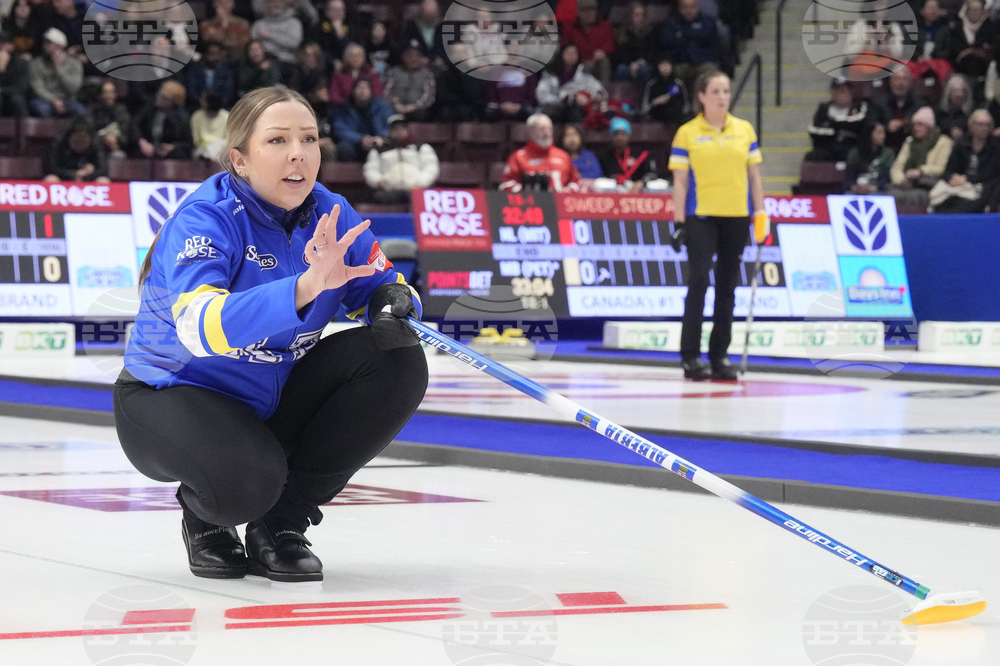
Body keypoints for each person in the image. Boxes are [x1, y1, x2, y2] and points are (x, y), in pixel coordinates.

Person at [114, 87, 427, 583]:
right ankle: (204, 513)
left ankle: (279, 525)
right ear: (239, 159)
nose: (298, 153)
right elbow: (200, 328)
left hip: (268, 397)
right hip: (171, 394)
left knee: (396, 357)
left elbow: (384, 284)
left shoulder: (331, 211)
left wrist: (394, 304)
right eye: (278, 140)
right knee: (246, 484)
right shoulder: (207, 217)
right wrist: (303, 288)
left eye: (309, 139)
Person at [668, 69, 766, 381]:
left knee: (728, 287)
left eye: (726, 91)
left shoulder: (744, 130)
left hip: (736, 217)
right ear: (701, 96)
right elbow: (680, 182)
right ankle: (691, 355)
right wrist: (679, 221)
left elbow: (754, 176)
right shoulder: (687, 132)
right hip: (701, 218)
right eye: (715, 92)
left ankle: (720, 355)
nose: (722, 97)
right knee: (698, 282)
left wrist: (760, 214)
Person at [929, 109, 1000, 212]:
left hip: (982, 187)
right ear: (971, 126)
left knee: (966, 205)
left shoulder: (996, 147)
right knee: (941, 203)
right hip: (958, 185)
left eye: (988, 125)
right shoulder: (961, 144)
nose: (984, 128)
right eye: (980, 124)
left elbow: (991, 173)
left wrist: (966, 179)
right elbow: (949, 169)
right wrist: (953, 178)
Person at [887, 106, 954, 209]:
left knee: (916, 196)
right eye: (915, 125)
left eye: (920, 125)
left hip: (928, 183)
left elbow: (942, 168)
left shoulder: (943, 142)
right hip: (908, 183)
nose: (916, 128)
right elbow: (897, 166)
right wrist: (900, 179)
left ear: (929, 126)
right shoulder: (910, 142)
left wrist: (920, 171)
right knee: (891, 192)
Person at [363, 114, 440, 204]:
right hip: (388, 191)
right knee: (378, 197)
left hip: (416, 190)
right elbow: (370, 169)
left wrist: (420, 184)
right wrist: (379, 181)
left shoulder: (422, 147)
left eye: (402, 128)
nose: (399, 131)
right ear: (389, 131)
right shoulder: (379, 150)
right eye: (395, 129)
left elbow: (431, 168)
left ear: (407, 130)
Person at [499, 113, 580, 192]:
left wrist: (567, 192)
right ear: (530, 131)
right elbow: (506, 184)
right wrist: (525, 191)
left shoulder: (563, 155)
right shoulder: (518, 157)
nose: (546, 133)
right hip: (530, 203)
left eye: (549, 129)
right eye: (542, 129)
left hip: (560, 203)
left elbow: (576, 182)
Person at [536, 43, 605, 124]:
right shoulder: (550, 72)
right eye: (568, 53)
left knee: (575, 111)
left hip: (577, 109)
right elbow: (542, 95)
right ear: (562, 54)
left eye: (574, 53)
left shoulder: (584, 72)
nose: (571, 55)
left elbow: (597, 89)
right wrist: (564, 99)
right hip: (553, 109)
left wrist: (590, 97)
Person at [805, 78, 870, 162]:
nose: (847, 93)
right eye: (842, 90)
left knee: (855, 155)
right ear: (833, 93)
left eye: (848, 89)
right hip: (828, 147)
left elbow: (858, 124)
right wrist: (838, 131)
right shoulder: (823, 109)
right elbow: (813, 130)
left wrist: (831, 123)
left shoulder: (859, 106)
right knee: (813, 155)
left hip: (851, 147)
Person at [660, 0, 719, 88]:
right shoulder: (671, 23)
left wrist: (683, 34)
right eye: (685, 7)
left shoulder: (708, 21)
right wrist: (694, 34)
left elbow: (706, 37)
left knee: (710, 72)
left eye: (692, 7)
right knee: (668, 72)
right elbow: (669, 41)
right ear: (680, 9)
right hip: (680, 62)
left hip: (702, 62)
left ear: (697, 7)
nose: (689, 10)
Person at [131, 80, 194, 159]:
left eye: (164, 98)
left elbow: (188, 143)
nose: (158, 98)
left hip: (170, 152)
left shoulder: (182, 117)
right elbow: (135, 125)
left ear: (172, 102)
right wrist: (142, 142)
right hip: (149, 147)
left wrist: (172, 147)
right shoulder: (150, 108)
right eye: (159, 94)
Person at [332, 78, 392, 161]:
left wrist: (381, 137)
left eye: (366, 88)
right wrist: (360, 138)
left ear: (371, 91)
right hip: (355, 143)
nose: (362, 91)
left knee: (388, 148)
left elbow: (391, 124)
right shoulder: (344, 107)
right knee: (344, 148)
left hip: (378, 141)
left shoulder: (381, 106)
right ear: (353, 90)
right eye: (359, 87)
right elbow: (340, 129)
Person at [28, 27, 83, 117]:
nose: (45, 45)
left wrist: (59, 70)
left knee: (79, 110)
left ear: (59, 45)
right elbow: (37, 86)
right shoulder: (37, 63)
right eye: (45, 42)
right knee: (41, 108)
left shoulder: (74, 63)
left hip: (67, 100)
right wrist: (53, 100)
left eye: (49, 42)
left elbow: (74, 87)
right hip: (45, 99)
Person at [559, 0, 614, 83]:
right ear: (578, 12)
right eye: (585, 10)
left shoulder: (605, 26)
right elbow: (565, 46)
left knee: (604, 61)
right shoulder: (569, 28)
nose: (589, 13)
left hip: (596, 63)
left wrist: (602, 52)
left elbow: (610, 46)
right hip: (577, 63)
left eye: (592, 10)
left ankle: (602, 90)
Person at [599, 117, 657, 192]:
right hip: (614, 194)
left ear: (629, 136)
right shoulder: (605, 156)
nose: (619, 138)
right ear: (611, 136)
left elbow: (652, 174)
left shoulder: (641, 154)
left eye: (623, 134)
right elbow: (601, 178)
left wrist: (642, 182)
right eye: (616, 134)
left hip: (640, 192)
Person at [382, 42, 436, 122]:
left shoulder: (427, 74)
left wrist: (414, 106)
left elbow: (429, 95)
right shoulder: (394, 72)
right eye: (410, 55)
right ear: (403, 56)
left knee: (422, 114)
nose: (413, 58)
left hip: (416, 109)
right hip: (396, 107)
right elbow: (386, 91)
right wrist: (396, 104)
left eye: (417, 55)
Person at [433, 42, 486, 122]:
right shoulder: (444, 75)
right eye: (457, 52)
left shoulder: (475, 74)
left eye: (463, 52)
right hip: (449, 108)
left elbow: (476, 96)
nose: (460, 56)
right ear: (451, 55)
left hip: (469, 109)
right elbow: (442, 96)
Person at [44, 122, 109, 183]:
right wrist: (74, 174)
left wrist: (88, 173)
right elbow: (52, 168)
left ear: (89, 139)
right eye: (77, 138)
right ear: (69, 138)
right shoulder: (58, 145)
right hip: (64, 179)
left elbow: (103, 169)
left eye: (83, 139)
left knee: (103, 181)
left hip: (89, 180)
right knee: (50, 179)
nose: (80, 141)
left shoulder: (96, 147)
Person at [873, 67, 919, 152]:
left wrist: (908, 125)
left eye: (905, 79)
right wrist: (886, 127)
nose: (901, 83)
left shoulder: (919, 105)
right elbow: (871, 126)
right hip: (884, 148)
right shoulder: (878, 103)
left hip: (911, 149)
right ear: (890, 82)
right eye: (897, 79)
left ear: (910, 83)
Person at [612, 2, 658, 82]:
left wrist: (640, 62)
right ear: (630, 16)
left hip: (645, 63)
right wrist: (630, 63)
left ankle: (647, 93)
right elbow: (620, 54)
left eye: (642, 15)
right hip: (627, 63)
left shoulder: (651, 32)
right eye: (636, 15)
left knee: (644, 69)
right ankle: (621, 94)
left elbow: (653, 52)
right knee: (621, 69)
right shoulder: (622, 33)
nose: (639, 18)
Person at [184, 41, 236, 112]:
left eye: (216, 54)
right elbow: (191, 90)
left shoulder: (226, 72)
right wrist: (203, 104)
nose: (213, 57)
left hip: (221, 109)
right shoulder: (195, 71)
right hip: (197, 108)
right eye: (211, 53)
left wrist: (215, 105)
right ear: (206, 54)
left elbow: (228, 93)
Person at [845, 122, 896, 194]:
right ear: (869, 134)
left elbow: (888, 176)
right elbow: (849, 175)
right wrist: (854, 187)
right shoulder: (855, 153)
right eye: (879, 133)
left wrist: (877, 187)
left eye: (883, 133)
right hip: (857, 190)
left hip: (878, 191)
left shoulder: (888, 153)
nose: (883, 136)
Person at [251, 0, 303, 68]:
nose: (276, 4)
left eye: (279, 1)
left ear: (285, 3)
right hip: (263, 63)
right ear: (266, 4)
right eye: (272, 2)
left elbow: (294, 43)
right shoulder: (259, 25)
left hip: (287, 63)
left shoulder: (294, 23)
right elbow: (253, 44)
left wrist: (270, 36)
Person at [86, 79, 130, 158]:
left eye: (111, 92)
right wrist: (104, 138)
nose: (109, 96)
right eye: (105, 92)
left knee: (119, 156)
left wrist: (116, 138)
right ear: (100, 95)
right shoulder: (91, 110)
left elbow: (125, 134)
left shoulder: (121, 110)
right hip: (95, 150)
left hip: (116, 147)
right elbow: (89, 132)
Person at [398, 0, 445, 68]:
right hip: (416, 65)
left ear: (438, 12)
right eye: (427, 14)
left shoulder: (445, 27)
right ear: (421, 12)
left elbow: (452, 49)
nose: (429, 17)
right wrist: (418, 59)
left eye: (432, 14)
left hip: (441, 65)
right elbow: (403, 47)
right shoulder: (410, 26)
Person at [641, 56, 687, 124]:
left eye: (668, 65)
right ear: (658, 67)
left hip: (675, 117)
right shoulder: (651, 84)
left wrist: (670, 100)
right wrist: (655, 102)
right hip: (656, 115)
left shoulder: (678, 84)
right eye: (662, 65)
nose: (665, 68)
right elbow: (644, 108)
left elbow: (685, 106)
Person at [308, 0, 352, 64]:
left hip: (346, 65)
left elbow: (352, 50)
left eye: (341, 10)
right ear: (327, 12)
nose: (338, 13)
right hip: (323, 64)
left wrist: (341, 36)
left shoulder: (351, 27)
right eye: (335, 10)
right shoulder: (317, 27)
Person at [191, 91, 230, 161]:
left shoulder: (226, 116)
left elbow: (228, 139)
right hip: (202, 149)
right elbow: (196, 139)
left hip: (221, 149)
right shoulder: (197, 116)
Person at [0, 30, 30, 117]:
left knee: (16, 100)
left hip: (15, 95)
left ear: (11, 46)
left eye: (4, 44)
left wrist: (2, 90)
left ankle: (24, 129)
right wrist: (1, 70)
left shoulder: (21, 63)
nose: (1, 47)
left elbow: (21, 88)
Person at [937, 74, 973, 140]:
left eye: (961, 91)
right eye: (955, 91)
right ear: (949, 93)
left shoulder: (971, 112)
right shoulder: (941, 112)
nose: (958, 94)